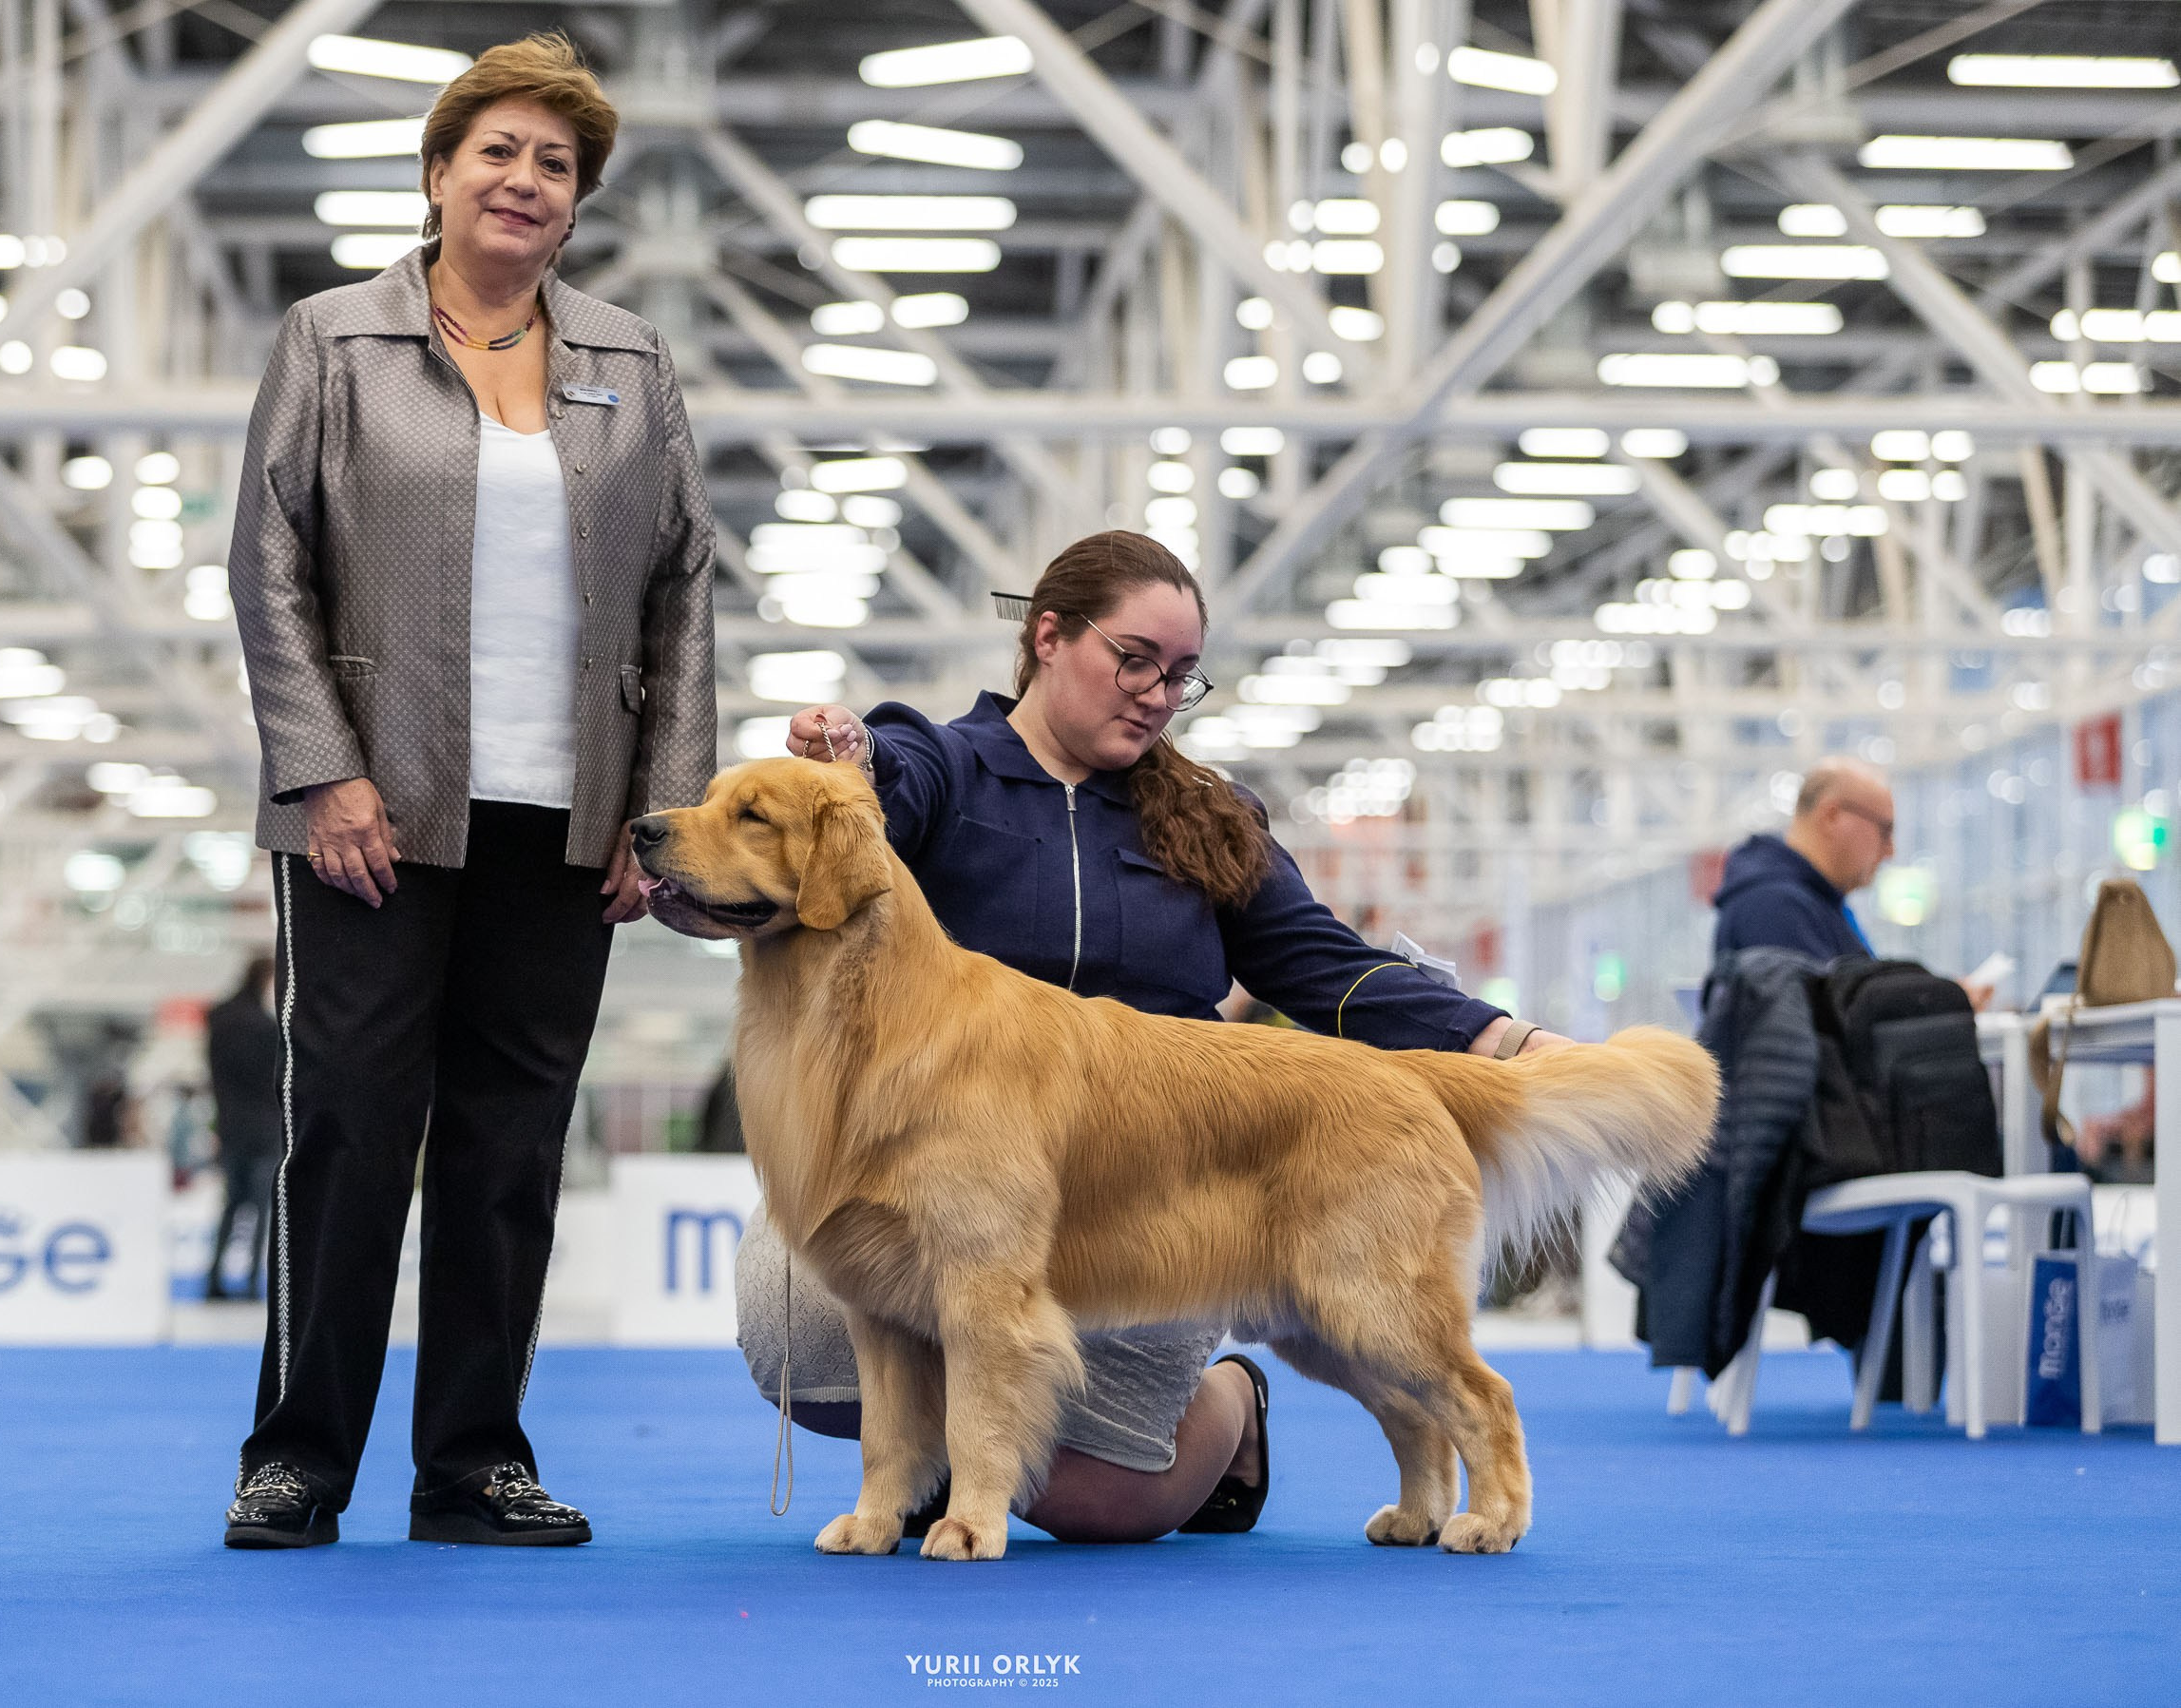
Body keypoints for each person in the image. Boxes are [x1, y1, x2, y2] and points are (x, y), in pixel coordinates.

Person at [738, 529, 1565, 1545]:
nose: (1157, 693)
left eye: (1180, 676)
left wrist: (1499, 1038)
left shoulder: (1213, 816)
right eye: (1134, 660)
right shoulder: (947, 768)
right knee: (802, 1331)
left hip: (1143, 1196)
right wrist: (858, 757)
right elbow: (887, 786)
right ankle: (946, 1458)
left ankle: (1230, 1406)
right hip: (942, 1167)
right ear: (1048, 637)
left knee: (1110, 1506)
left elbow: (1321, 962)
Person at [220, 32, 715, 1550]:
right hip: (372, 817)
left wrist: (663, 815)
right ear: (438, 176)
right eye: (496, 152)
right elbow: (270, 563)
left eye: (555, 165)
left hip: (562, 824)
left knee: (512, 1146)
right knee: (353, 1131)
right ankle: (299, 1455)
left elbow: (684, 588)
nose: (525, 180)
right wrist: (324, 769)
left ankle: (473, 1464)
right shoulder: (329, 340)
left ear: (577, 205)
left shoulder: (629, 361)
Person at [1712, 758, 1894, 963]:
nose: (1890, 851)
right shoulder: (1774, 908)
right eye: (1885, 831)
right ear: (1831, 817)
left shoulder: (1815, 904)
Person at [203, 956, 279, 1301]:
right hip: (263, 1128)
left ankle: (215, 1278)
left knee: (231, 1205)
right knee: (262, 1207)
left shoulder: (219, 1020)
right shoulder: (265, 1028)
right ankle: (250, 1280)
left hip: (230, 1126)